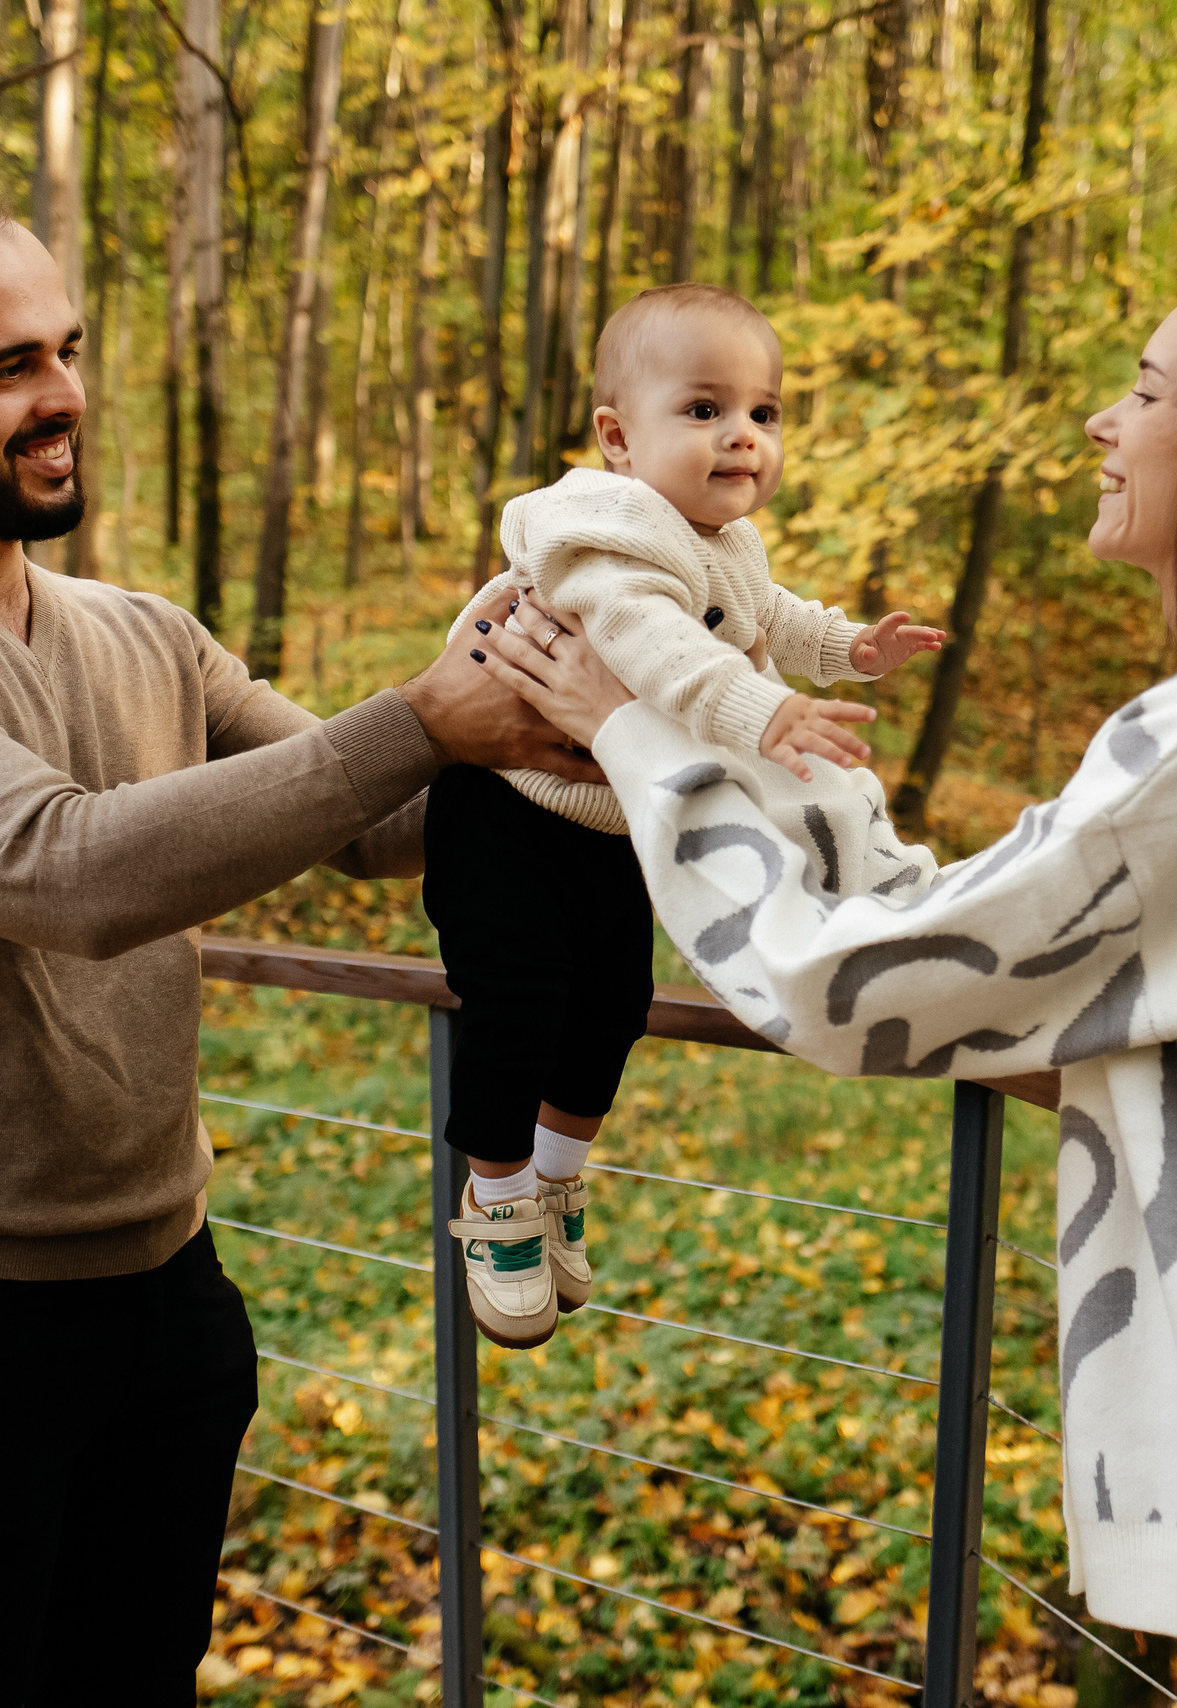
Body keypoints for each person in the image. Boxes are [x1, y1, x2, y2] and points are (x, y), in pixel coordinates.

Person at [474, 258, 1177, 1703]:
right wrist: (754, 743)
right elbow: (962, 931)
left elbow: (836, 987)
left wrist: (635, 732)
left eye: (1145, 390)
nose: (1103, 427)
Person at [0, 168, 594, 1706]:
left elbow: (378, 824)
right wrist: (421, 721)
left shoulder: (144, 633)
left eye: (63, 349)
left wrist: (556, 701)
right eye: (5, 369)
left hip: (167, 1300)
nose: (62, 397)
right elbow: (72, 873)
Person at [427, 283, 943, 1348]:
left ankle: (558, 1182)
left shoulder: (725, 541)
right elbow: (664, 649)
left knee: (614, 1003)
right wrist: (770, 714)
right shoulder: (603, 535)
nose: (742, 437)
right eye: (703, 410)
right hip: (510, 815)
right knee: (516, 1002)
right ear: (618, 437)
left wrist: (850, 648)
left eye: (765, 412)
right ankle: (496, 1200)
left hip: (614, 819)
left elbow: (767, 617)